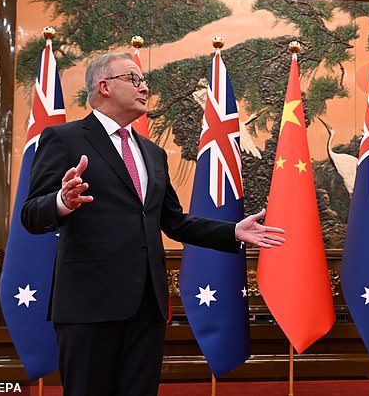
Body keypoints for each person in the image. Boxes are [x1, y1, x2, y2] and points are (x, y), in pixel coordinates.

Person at [21, 52, 285, 396]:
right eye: (133, 79)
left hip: (148, 305)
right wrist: (61, 201)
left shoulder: (151, 152)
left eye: (144, 80)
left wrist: (233, 231)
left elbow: (174, 222)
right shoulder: (64, 139)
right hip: (89, 304)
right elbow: (31, 214)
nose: (144, 87)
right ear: (104, 86)